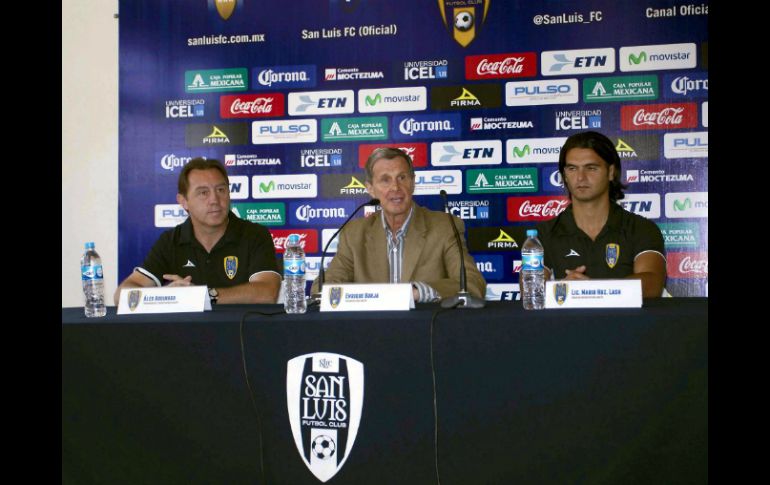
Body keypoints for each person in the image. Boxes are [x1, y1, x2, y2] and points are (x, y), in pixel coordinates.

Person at [310, 147, 486, 302]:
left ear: (412, 182)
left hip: (426, 332)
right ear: (370, 189)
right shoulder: (354, 233)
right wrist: (366, 297)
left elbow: (472, 285)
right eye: (385, 180)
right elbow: (321, 289)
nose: (395, 187)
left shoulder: (444, 227)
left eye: (402, 177)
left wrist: (418, 292)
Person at [114, 157, 281, 305]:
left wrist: (201, 296)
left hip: (241, 337)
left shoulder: (254, 235)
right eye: (203, 193)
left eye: (221, 190)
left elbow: (267, 293)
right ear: (183, 201)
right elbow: (121, 296)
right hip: (187, 338)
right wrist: (166, 295)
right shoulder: (171, 241)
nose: (215, 200)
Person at [536, 131, 666, 298]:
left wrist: (590, 290)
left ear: (611, 172)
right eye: (572, 168)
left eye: (591, 168)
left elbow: (652, 284)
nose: (580, 177)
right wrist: (562, 288)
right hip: (569, 324)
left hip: (626, 324)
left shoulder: (641, 228)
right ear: (564, 176)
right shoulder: (545, 233)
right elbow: (530, 290)